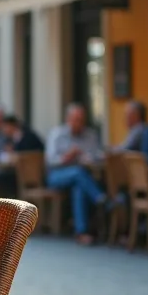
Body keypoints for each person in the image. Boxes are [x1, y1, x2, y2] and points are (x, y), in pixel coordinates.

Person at [45, 103, 107, 245]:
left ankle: (81, 232)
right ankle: (100, 198)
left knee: (79, 188)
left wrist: (89, 158)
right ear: (68, 119)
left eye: (81, 120)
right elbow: (51, 161)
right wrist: (67, 157)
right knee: (78, 173)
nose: (79, 123)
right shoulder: (57, 134)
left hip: (83, 176)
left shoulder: (90, 134)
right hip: (57, 175)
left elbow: (98, 155)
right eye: (76, 119)